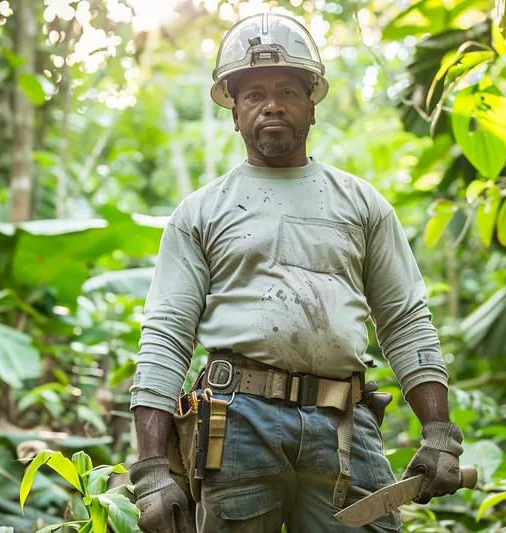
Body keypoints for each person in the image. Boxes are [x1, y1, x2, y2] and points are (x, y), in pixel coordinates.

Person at [128, 12, 465, 533]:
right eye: (253, 93)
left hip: (344, 425)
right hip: (235, 425)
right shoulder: (200, 213)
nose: (271, 105)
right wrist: (151, 471)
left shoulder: (361, 204)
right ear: (234, 112)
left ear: (312, 105)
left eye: (287, 90)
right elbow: (166, 336)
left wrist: (439, 433)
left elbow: (404, 320)